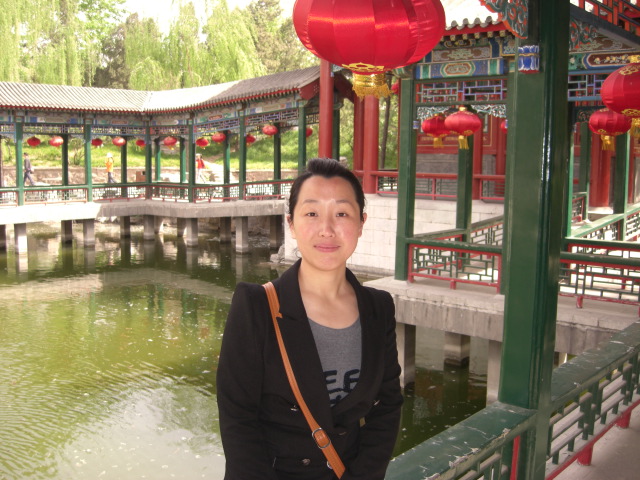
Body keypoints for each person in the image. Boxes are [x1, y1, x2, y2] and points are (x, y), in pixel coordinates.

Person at [217, 158, 403, 480]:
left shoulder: (378, 308)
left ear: (361, 223)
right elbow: (238, 419)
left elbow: (387, 406)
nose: (327, 229)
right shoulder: (256, 306)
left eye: (342, 213)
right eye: (312, 213)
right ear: (291, 223)